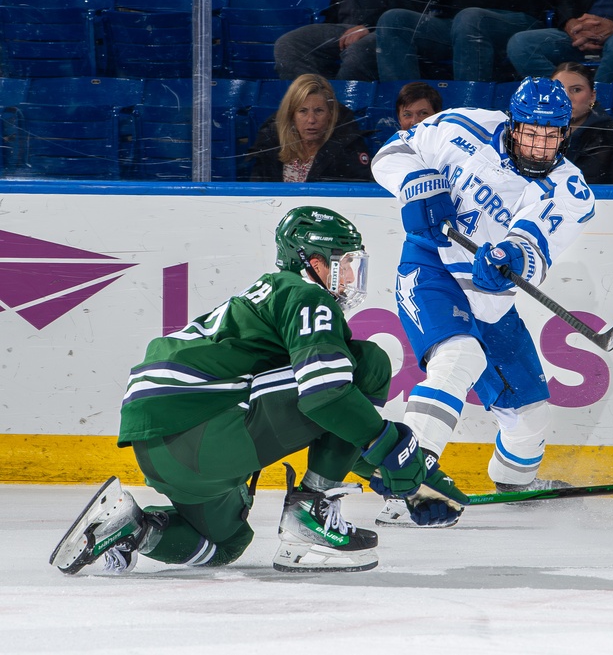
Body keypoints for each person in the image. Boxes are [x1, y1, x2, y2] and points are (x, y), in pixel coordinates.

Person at [49, 206, 468, 576]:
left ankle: (130, 528)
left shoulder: (266, 295)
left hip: (163, 441)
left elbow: (339, 433)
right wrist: (396, 449)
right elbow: (326, 396)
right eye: (342, 263)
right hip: (202, 425)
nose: (350, 277)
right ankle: (311, 515)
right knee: (366, 363)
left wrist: (410, 481)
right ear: (313, 262)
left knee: (222, 544)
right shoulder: (305, 294)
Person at [369, 77, 594, 526]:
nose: (538, 145)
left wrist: (514, 253)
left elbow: (536, 240)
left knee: (529, 414)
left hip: (491, 300)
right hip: (431, 269)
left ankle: (514, 482)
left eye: (550, 136)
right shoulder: (461, 128)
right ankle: (406, 485)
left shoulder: (570, 191)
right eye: (530, 133)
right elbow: (390, 153)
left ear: (564, 134)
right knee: (459, 357)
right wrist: (415, 183)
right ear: (513, 126)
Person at [375, 0, 550, 81]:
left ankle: (468, 114)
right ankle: (405, 111)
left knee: (470, 18)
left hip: (518, 19)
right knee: (394, 20)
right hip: (456, 21)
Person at [248, 74, 372, 183]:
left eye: (319, 111)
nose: (311, 120)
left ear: (330, 114)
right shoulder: (271, 143)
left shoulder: (348, 146)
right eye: (303, 111)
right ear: (292, 115)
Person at [272, 0, 401, 81]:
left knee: (358, 50)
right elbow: (335, 12)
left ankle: (339, 109)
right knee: (290, 43)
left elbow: (408, 12)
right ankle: (309, 102)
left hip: (385, 30)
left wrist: (370, 26)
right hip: (344, 29)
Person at [551, 61, 613, 183]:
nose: (566, 98)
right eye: (559, 90)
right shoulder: (531, 134)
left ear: (592, 96)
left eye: (576, 90)